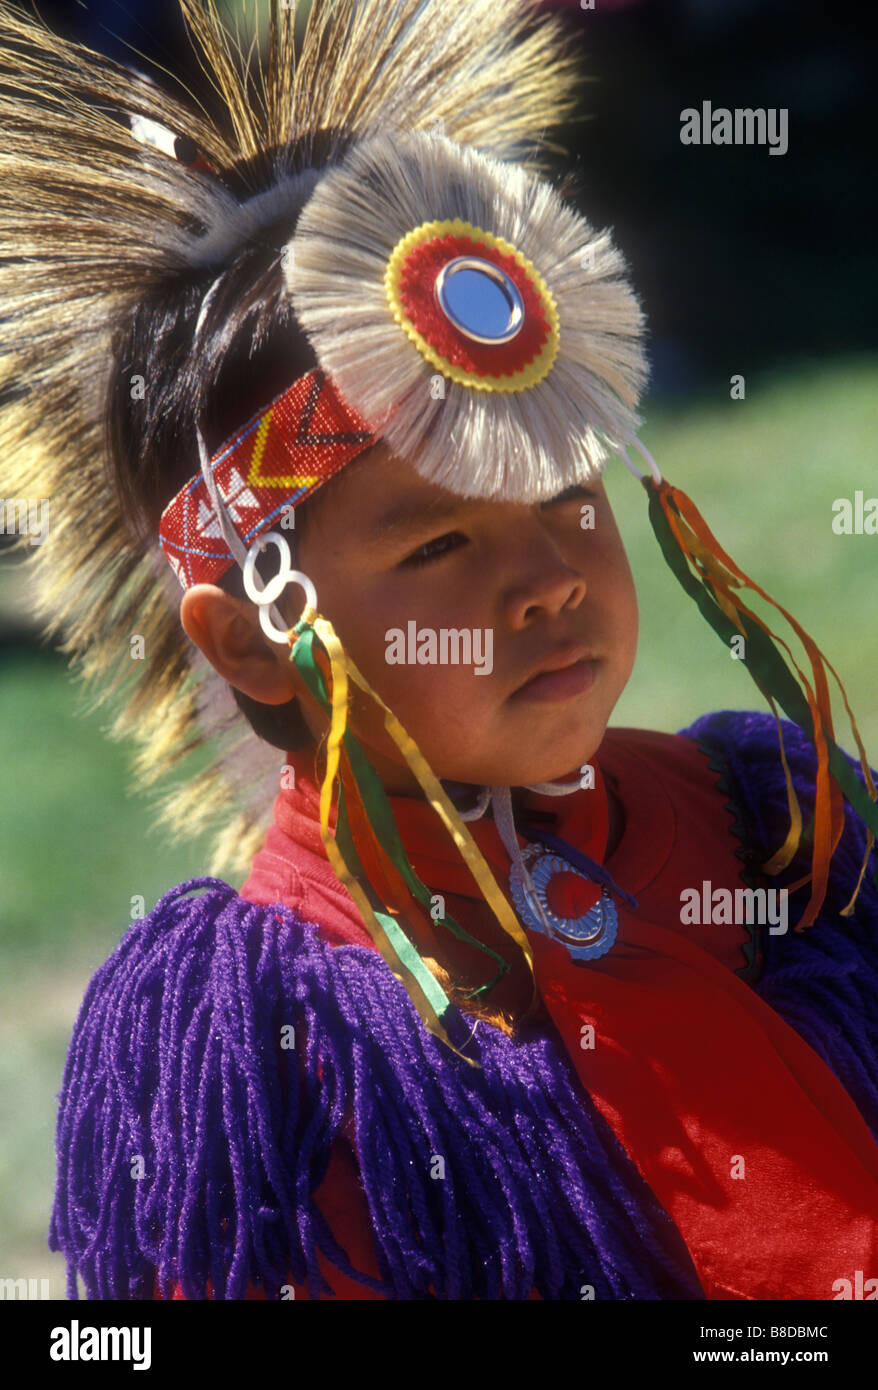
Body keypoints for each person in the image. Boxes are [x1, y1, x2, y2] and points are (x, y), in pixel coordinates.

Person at [2, 0, 875, 1301]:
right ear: (252, 636)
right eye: (437, 548)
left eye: (567, 498)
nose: (542, 581)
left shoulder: (772, 826)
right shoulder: (267, 1043)